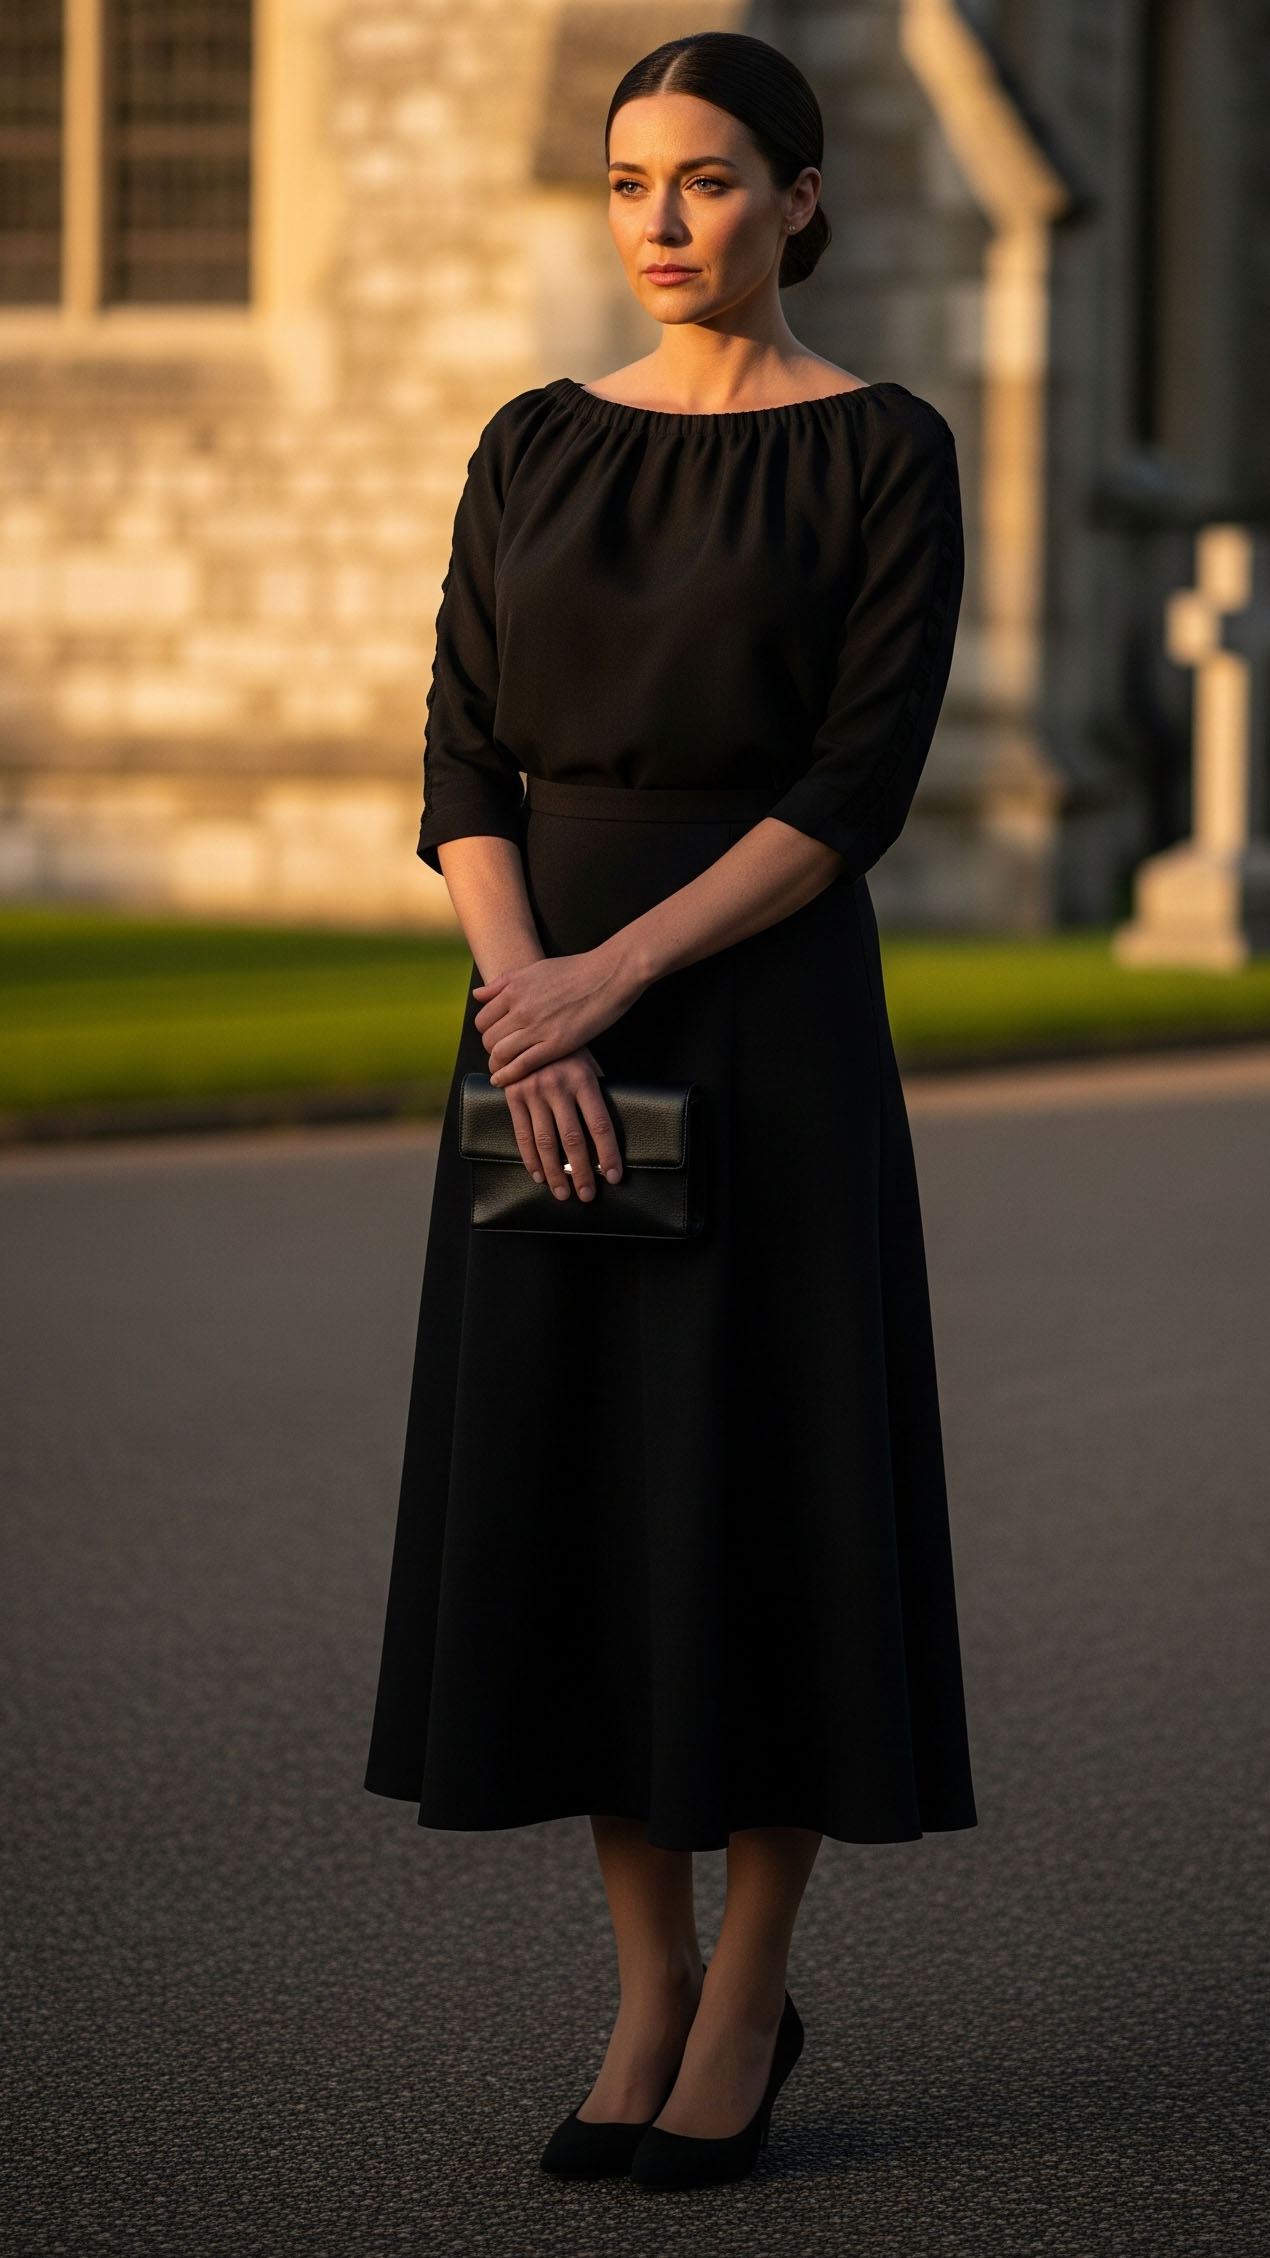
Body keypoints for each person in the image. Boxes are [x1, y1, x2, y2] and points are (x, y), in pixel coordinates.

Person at [363, 28, 977, 2192]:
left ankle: (749, 1986)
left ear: (797, 199)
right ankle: (644, 1984)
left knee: (770, 1485)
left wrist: (601, 985)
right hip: (537, 1011)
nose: (661, 220)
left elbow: (856, 782)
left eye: (706, 180)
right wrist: (520, 1000)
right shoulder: (531, 442)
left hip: (761, 1014)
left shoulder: (883, 449)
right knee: (592, 1497)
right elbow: (461, 751)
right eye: (629, 181)